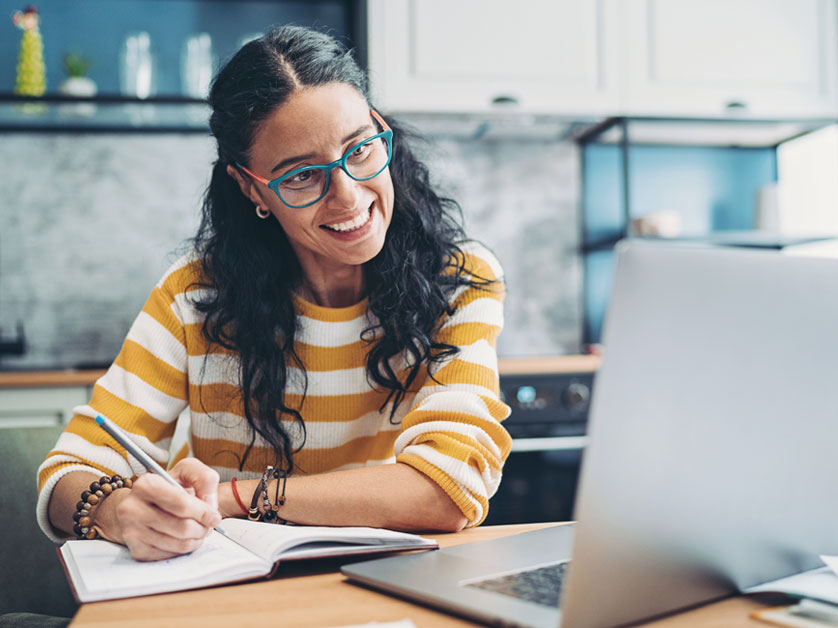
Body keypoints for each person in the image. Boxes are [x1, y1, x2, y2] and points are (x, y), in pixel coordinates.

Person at [37, 25, 511, 562]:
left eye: (360, 148)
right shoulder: (195, 292)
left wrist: (236, 496)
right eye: (303, 177)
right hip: (232, 589)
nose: (349, 196)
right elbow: (65, 474)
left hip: (393, 582)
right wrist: (117, 511)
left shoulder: (460, 278)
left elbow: (448, 490)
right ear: (249, 186)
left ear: (380, 129)